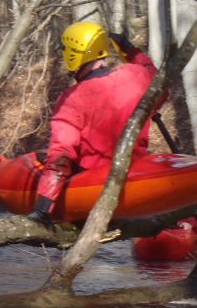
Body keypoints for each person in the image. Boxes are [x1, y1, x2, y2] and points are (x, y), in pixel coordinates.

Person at [27, 21, 158, 229]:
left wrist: (43, 207)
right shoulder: (137, 75)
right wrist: (130, 49)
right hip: (137, 170)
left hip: (96, 180)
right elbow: (157, 81)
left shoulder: (71, 98)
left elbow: (62, 154)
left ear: (73, 53)